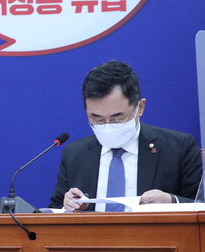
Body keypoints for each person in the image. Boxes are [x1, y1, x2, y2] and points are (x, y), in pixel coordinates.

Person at [49, 60, 203, 212]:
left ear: (140, 107)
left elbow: (201, 205)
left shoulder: (178, 148)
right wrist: (68, 207)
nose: (107, 126)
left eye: (117, 119)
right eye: (98, 119)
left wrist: (172, 201)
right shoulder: (74, 154)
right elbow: (53, 211)